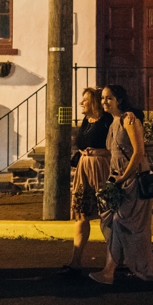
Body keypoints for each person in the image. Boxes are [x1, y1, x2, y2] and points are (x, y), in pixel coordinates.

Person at [89, 85, 153, 285]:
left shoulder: (129, 120)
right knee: (110, 221)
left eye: (109, 98)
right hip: (118, 181)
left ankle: (115, 271)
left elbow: (138, 152)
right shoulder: (112, 123)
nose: (104, 102)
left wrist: (123, 177)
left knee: (127, 225)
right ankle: (125, 265)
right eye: (102, 98)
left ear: (119, 99)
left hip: (133, 180)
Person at [58, 87, 113, 277]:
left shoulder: (107, 121)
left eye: (85, 100)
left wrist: (99, 153)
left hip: (100, 169)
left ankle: (113, 262)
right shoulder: (85, 121)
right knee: (81, 214)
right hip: (84, 169)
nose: (81, 103)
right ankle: (76, 261)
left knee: (107, 215)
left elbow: (115, 147)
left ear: (95, 103)